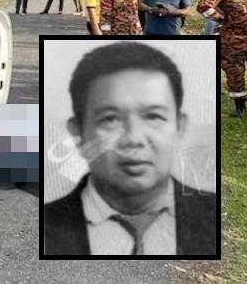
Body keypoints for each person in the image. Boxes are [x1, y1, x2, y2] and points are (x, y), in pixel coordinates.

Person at [42, 42, 218, 256]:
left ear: (179, 127)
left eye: (153, 116)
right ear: (78, 133)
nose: (133, 139)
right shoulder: (46, 227)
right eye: (110, 119)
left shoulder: (212, 218)